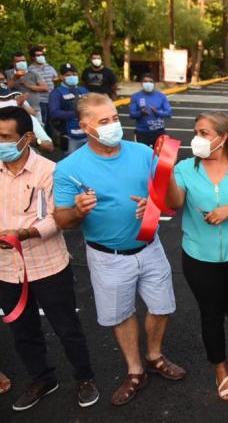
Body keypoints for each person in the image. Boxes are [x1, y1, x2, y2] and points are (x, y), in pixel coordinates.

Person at [53, 93, 186, 406]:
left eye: (115, 118)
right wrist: (78, 211)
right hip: (107, 258)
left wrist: (154, 199)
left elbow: (175, 201)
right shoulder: (68, 168)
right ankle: (135, 369)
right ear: (85, 127)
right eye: (104, 121)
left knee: (162, 306)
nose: (114, 125)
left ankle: (154, 356)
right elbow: (62, 220)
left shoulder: (142, 153)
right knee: (122, 314)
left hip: (150, 247)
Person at [0, 106, 99, 411]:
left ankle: (84, 378)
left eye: (6, 137)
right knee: (22, 331)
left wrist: (25, 234)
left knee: (66, 327)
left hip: (48, 264)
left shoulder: (51, 171)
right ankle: (42, 378)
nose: (0, 143)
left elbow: (59, 218)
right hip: (7, 270)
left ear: (27, 137)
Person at [165, 112, 228, 402]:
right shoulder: (184, 168)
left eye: (205, 133)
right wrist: (165, 173)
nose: (197, 138)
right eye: (196, 131)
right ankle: (220, 370)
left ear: (224, 137)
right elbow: (175, 202)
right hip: (199, 257)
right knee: (211, 314)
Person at [0, 82, 54, 153]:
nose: (7, 101)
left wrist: (35, 141)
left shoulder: (27, 119)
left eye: (9, 98)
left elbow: (49, 147)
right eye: (2, 99)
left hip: (29, 162)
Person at [48, 63, 89, 153]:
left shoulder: (83, 90)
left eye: (74, 74)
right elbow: (54, 113)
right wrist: (77, 113)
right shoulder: (56, 93)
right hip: (69, 135)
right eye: (68, 75)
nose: (72, 77)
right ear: (62, 77)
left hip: (88, 134)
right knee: (72, 163)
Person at [129, 74, 172, 147]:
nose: (148, 83)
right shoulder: (135, 96)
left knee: (160, 155)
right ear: (141, 83)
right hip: (142, 133)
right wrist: (141, 113)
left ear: (154, 84)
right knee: (142, 155)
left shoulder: (161, 96)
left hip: (159, 132)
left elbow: (169, 113)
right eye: (145, 81)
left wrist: (157, 113)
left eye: (150, 82)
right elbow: (131, 114)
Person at [5, 52, 48, 125]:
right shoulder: (7, 74)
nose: (21, 63)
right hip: (17, 110)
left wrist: (28, 85)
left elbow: (45, 88)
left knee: (40, 132)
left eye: (23, 61)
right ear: (13, 63)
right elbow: (5, 88)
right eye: (18, 61)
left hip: (35, 109)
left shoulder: (33, 73)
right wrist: (15, 78)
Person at [27, 47, 58, 137]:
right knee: (43, 121)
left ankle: (53, 139)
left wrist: (56, 79)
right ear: (33, 57)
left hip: (52, 98)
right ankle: (43, 140)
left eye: (42, 54)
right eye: (38, 55)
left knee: (52, 121)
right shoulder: (30, 69)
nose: (41, 56)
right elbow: (32, 86)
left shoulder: (49, 67)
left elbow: (55, 77)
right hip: (40, 99)